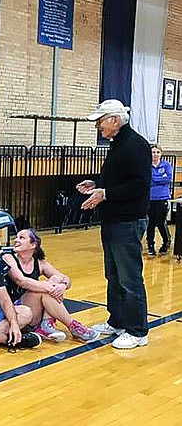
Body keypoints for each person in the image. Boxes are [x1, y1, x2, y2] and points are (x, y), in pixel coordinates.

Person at [77, 99, 151, 350]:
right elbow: (118, 179)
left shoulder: (136, 145)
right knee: (113, 275)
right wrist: (96, 185)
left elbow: (139, 185)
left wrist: (106, 194)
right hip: (112, 220)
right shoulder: (117, 145)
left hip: (128, 222)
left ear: (115, 120)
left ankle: (138, 330)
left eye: (100, 121)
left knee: (130, 278)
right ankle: (117, 320)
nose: (98, 126)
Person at [2, 229, 99, 342]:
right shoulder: (8, 258)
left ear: (33, 245)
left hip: (35, 312)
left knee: (56, 280)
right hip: (17, 311)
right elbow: (21, 280)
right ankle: (71, 326)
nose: (16, 240)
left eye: (21, 238)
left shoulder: (40, 263)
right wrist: (49, 287)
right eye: (17, 237)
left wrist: (62, 286)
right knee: (43, 289)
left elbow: (66, 278)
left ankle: (46, 323)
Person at [147, 144, 172, 256]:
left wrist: (155, 179)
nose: (155, 154)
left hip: (162, 198)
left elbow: (168, 179)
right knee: (150, 223)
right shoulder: (147, 166)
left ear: (161, 154)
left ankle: (166, 242)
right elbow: (148, 180)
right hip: (150, 198)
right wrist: (160, 178)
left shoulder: (166, 165)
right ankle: (150, 245)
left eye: (158, 152)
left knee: (161, 222)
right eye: (153, 152)